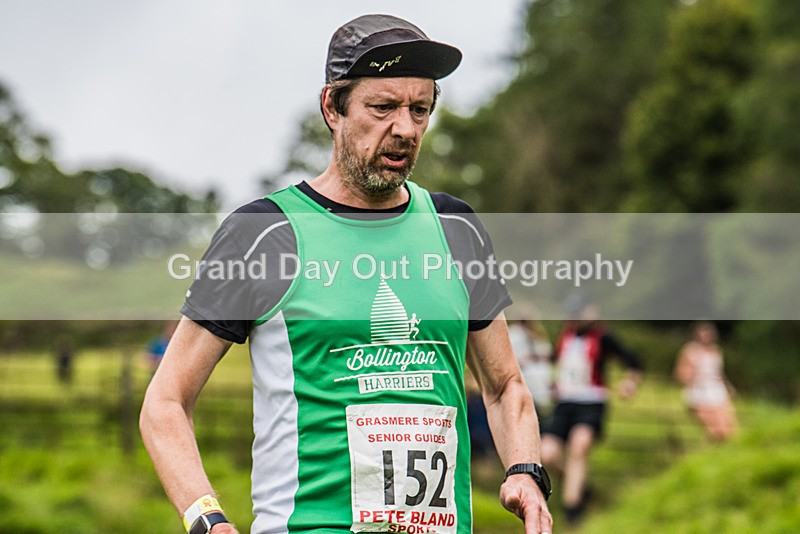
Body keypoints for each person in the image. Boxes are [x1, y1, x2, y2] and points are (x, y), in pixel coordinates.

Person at [140, 14, 552, 534]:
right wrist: (207, 519)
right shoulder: (265, 232)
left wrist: (525, 470)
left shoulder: (455, 228)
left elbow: (504, 385)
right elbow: (166, 400)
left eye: (419, 110)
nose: (404, 128)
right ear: (333, 107)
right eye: (383, 107)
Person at [540, 294, 643, 525]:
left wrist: (630, 383)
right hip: (565, 403)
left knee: (579, 446)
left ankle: (572, 509)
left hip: (591, 403)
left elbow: (633, 361)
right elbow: (558, 363)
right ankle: (578, 485)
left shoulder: (604, 337)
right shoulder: (565, 335)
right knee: (547, 453)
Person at [674, 321, 738, 442]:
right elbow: (681, 374)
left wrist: (727, 385)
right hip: (700, 391)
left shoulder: (716, 351)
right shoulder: (690, 351)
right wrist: (691, 376)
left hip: (716, 389)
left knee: (728, 426)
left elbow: (718, 372)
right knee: (713, 428)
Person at [508, 318, 553, 416]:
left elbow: (546, 352)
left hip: (536, 379)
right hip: (524, 377)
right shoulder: (514, 334)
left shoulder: (537, 335)